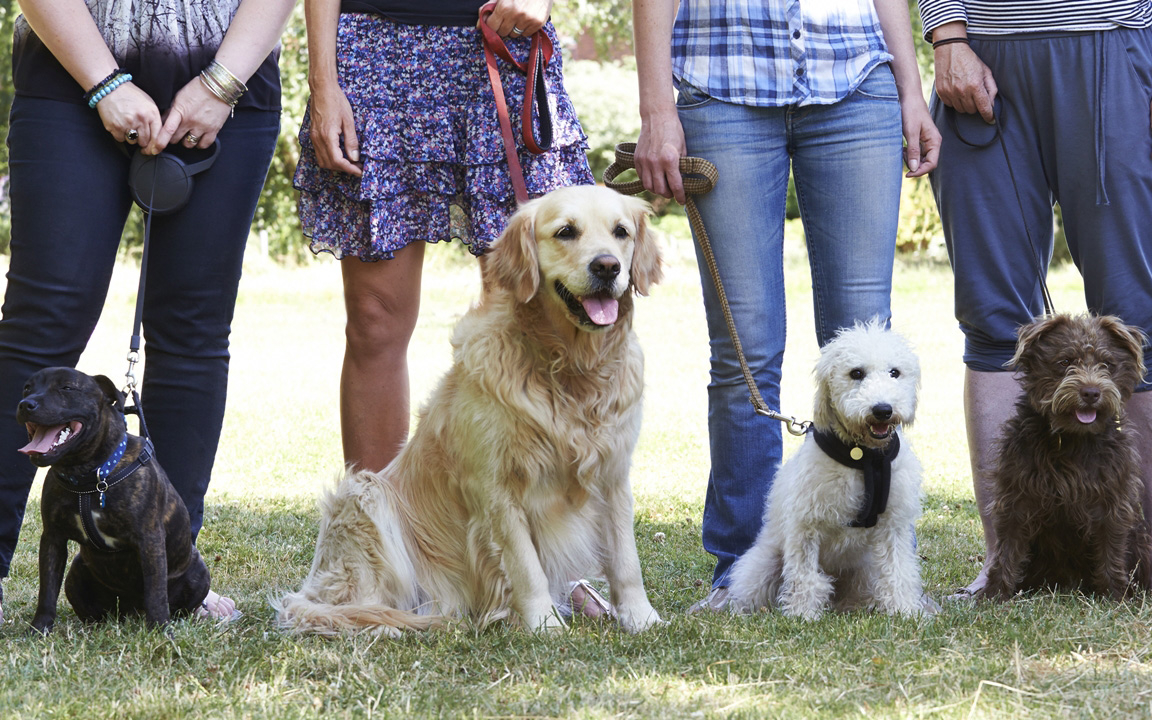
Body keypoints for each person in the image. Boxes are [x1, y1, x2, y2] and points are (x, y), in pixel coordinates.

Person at [292, 0, 607, 615]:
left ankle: (558, 565)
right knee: (376, 321)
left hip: (497, 44)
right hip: (373, 50)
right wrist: (323, 82)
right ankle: (388, 551)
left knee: (529, 319)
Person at [632, 0, 941, 611]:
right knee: (745, 353)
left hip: (856, 81)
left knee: (867, 348)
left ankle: (883, 573)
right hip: (722, 82)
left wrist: (911, 90)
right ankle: (743, 570)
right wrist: (657, 108)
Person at [0, 0, 295, 623]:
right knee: (41, 322)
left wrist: (221, 83)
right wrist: (104, 82)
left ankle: (177, 575)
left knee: (192, 328)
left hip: (230, 80)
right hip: (69, 63)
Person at [916, 0, 1152, 601]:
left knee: (1138, 312)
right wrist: (946, 35)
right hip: (980, 52)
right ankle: (1003, 560)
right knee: (993, 317)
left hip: (1111, 47)